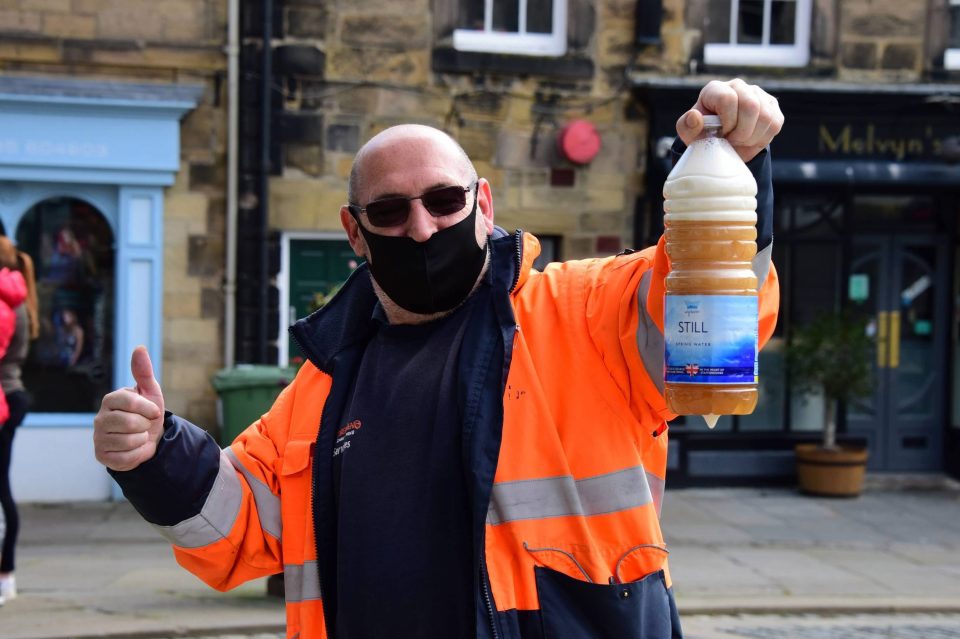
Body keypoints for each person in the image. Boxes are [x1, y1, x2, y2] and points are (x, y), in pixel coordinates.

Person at [94, 79, 782, 638]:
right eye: (389, 211)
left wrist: (733, 175)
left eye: (443, 201)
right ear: (354, 232)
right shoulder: (321, 384)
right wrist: (156, 454)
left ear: (483, 205)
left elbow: (708, 303)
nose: (420, 226)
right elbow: (237, 528)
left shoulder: (585, 313)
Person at [0, 236, 28, 607]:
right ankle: (6, 574)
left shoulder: (5, 302)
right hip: (13, 391)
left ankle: (6, 573)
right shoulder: (16, 298)